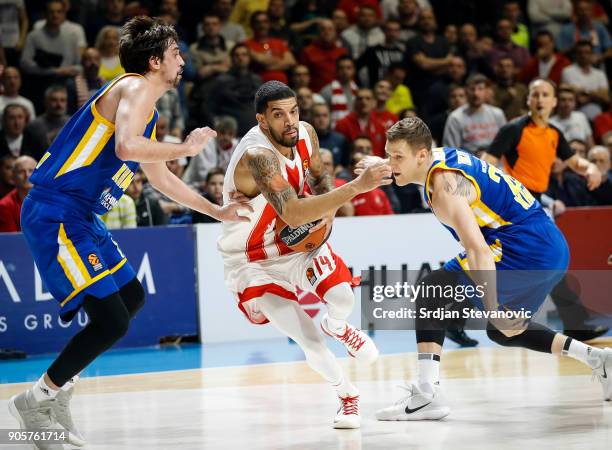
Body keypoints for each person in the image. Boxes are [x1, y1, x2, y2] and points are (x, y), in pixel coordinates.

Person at [8, 17, 250, 449]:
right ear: (155, 61)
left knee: (131, 299)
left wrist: (216, 210)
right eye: (176, 53)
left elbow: (160, 179)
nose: (183, 60)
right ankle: (37, 398)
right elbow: (125, 148)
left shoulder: (147, 113)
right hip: (56, 212)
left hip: (82, 217)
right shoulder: (134, 86)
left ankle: (58, 390)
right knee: (112, 320)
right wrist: (187, 148)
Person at [357, 117, 612, 421]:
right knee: (502, 332)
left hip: (526, 247)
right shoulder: (438, 157)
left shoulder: (444, 190)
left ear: (421, 156)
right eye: (389, 154)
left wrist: (492, 308)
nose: (392, 162)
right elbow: (411, 166)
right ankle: (599, 360)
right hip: (547, 243)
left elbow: (478, 250)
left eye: (397, 157)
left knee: (432, 291)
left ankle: (428, 394)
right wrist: (388, 165)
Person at [218, 80, 392, 428]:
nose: (290, 121)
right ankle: (347, 395)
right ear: (262, 120)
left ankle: (338, 326)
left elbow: (318, 175)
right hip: (253, 258)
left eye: (294, 111)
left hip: (296, 243)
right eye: (278, 115)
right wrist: (356, 187)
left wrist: (327, 208)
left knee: (342, 297)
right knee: (307, 339)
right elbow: (294, 212)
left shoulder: (307, 134)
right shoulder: (258, 157)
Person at [484, 78, 607, 341]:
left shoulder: (554, 134)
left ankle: (574, 323)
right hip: (514, 205)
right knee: (541, 262)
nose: (540, 99)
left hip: (535, 204)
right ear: (528, 99)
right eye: (535, 94)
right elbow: (488, 161)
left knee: (550, 263)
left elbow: (574, 161)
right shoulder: (514, 130)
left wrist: (592, 168)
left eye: (545, 95)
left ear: (553, 102)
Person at [0, 155, 36, 232]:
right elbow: (11, 241)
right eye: (21, 171)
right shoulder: (5, 206)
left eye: (31, 170)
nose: (27, 175)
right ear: (13, 177)